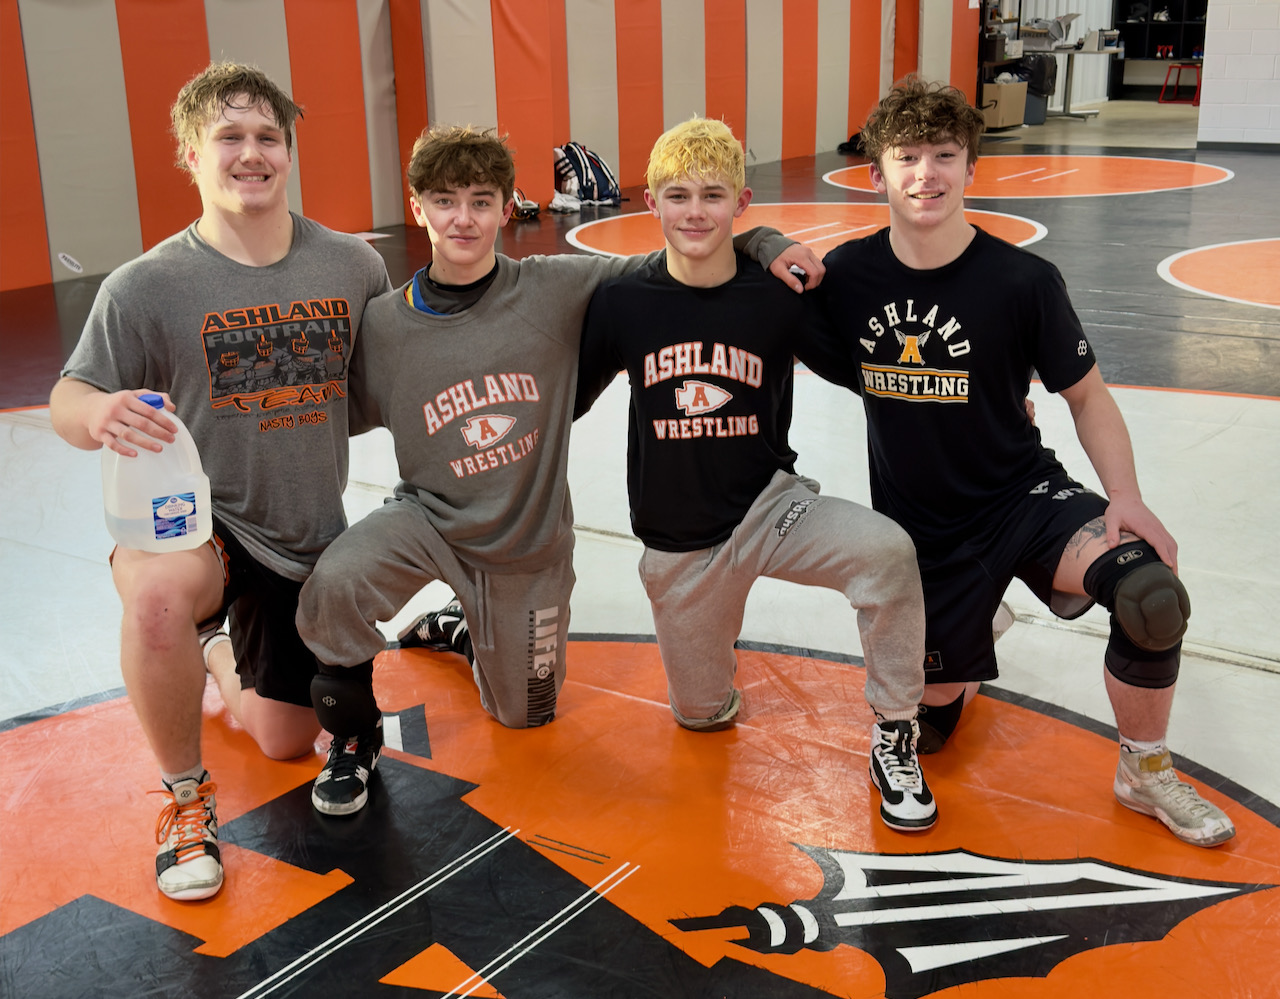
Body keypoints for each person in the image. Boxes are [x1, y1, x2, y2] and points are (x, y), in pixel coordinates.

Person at [294, 125, 819, 816]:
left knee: (524, 714)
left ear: (507, 207)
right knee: (335, 582)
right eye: (445, 201)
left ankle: (465, 629)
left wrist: (765, 242)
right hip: (427, 518)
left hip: (526, 549)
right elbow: (319, 414)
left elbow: (684, 254)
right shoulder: (384, 326)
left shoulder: (558, 287)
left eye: (481, 201)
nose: (462, 219)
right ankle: (355, 735)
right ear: (417, 208)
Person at [812, 76, 1232, 846]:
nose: (927, 173)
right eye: (907, 156)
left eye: (945, 155)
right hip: (923, 532)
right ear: (874, 174)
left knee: (1150, 596)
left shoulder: (1023, 281)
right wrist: (765, 247)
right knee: (930, 730)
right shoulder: (844, 279)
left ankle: (1144, 770)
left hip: (1023, 497)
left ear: (972, 167)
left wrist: (1126, 496)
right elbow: (754, 307)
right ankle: (974, 631)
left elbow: (1088, 397)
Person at [49, 62, 392, 901]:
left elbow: (389, 384)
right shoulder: (146, 285)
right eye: (229, 137)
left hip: (304, 529)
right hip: (196, 522)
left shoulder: (351, 265)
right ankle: (185, 798)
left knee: (281, 738)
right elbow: (68, 397)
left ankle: (211, 649)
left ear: (289, 152)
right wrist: (97, 413)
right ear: (190, 155)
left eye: (268, 136)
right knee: (157, 598)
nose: (251, 153)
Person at [574, 117, 937, 832]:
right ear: (650, 202)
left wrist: (992, 397)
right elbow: (563, 404)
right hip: (681, 542)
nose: (695, 212)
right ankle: (712, 645)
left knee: (887, 551)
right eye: (678, 196)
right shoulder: (622, 303)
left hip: (772, 510)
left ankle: (897, 728)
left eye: (714, 196)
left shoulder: (776, 298)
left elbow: (878, 374)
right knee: (701, 716)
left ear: (741, 203)